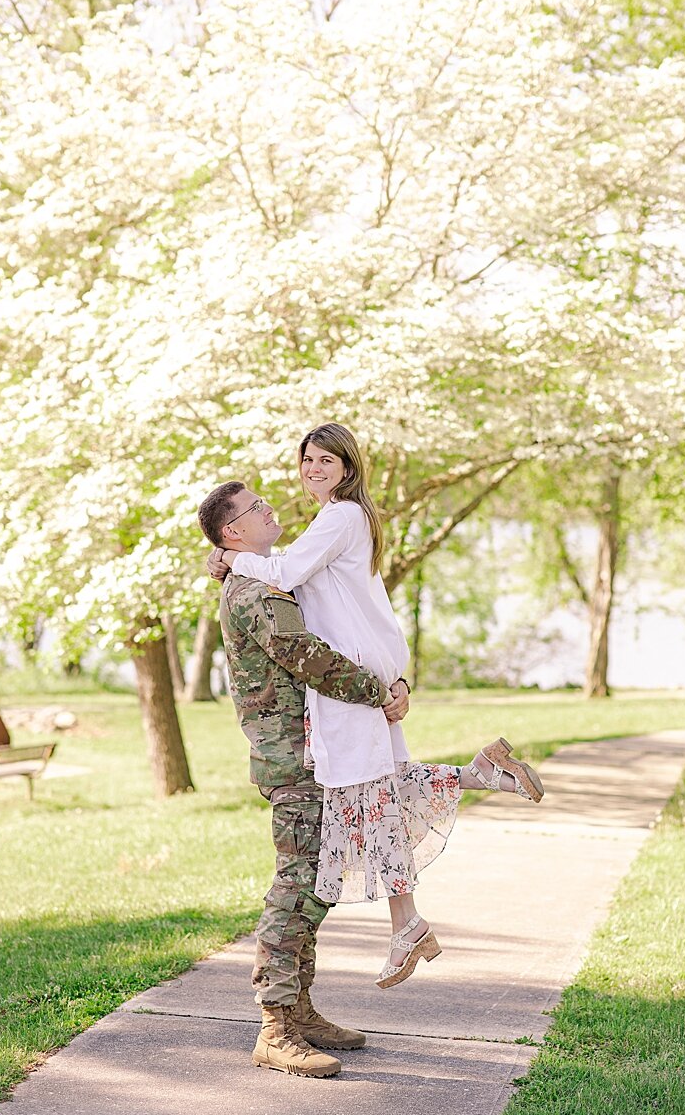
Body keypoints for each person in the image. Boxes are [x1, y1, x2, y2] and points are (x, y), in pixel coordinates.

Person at [205, 424, 544, 995]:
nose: (313, 469)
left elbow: (285, 575)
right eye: (307, 459)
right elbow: (363, 602)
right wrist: (397, 671)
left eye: (326, 460)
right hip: (365, 675)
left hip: (351, 686)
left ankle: (405, 924)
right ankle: (480, 776)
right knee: (383, 789)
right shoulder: (340, 522)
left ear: (347, 466)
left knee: (372, 800)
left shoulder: (339, 519)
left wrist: (231, 561)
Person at [198, 480, 409, 1078]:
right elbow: (306, 654)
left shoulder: (264, 574)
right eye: (255, 508)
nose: (270, 509)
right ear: (232, 531)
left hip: (316, 753)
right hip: (293, 758)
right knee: (296, 886)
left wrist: (392, 683)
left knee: (317, 882)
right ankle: (275, 1026)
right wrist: (379, 693)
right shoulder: (253, 589)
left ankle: (301, 1009)